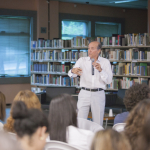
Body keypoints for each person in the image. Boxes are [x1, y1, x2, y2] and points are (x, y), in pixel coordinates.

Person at [68, 41, 112, 125]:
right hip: (84, 93)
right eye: (88, 48)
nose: (89, 50)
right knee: (80, 120)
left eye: (92, 48)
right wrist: (73, 71)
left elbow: (109, 80)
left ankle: (97, 138)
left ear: (99, 51)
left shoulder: (105, 62)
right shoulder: (82, 60)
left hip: (98, 94)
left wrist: (101, 70)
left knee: (98, 122)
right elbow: (71, 74)